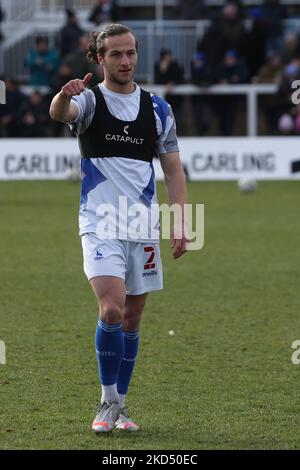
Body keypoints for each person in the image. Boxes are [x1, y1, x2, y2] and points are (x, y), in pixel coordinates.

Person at [49, 24, 188, 434]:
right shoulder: (89, 102)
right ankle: (107, 402)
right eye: (116, 54)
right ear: (99, 57)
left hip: (142, 226)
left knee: (133, 317)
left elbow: (173, 169)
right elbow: (61, 114)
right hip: (100, 223)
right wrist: (62, 95)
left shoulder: (158, 109)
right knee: (111, 307)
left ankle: (122, 407)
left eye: (130, 53)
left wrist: (182, 220)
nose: (125, 61)